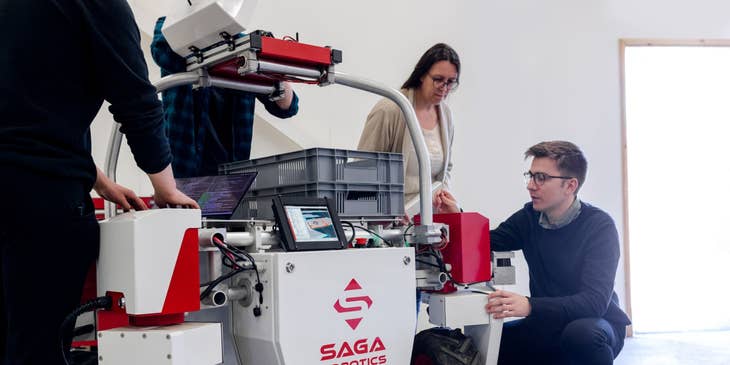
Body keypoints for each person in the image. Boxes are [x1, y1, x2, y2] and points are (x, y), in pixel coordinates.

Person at [0, 1, 199, 363]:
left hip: (23, 185)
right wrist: (166, 189)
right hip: (41, 203)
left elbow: (27, 111)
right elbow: (136, 101)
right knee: (37, 347)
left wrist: (99, 181)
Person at [483, 141, 631, 365]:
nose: (531, 185)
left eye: (541, 178)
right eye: (530, 176)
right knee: (492, 343)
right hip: (547, 321)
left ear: (570, 186)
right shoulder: (529, 218)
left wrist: (530, 305)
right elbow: (487, 240)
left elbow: (594, 302)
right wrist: (458, 218)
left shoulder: (599, 227)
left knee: (581, 335)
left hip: (595, 322)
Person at [151, 16, 300, 178]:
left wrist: (273, 65)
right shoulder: (171, 27)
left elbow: (287, 108)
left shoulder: (245, 48)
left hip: (230, 173)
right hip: (183, 166)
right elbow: (163, 54)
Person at [357, 43, 460, 214]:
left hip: (430, 219)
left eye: (450, 82)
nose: (444, 88)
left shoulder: (446, 116)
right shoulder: (389, 110)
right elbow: (362, 170)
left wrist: (446, 201)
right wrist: (385, 210)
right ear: (421, 75)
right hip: (392, 220)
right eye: (438, 80)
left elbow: (445, 170)